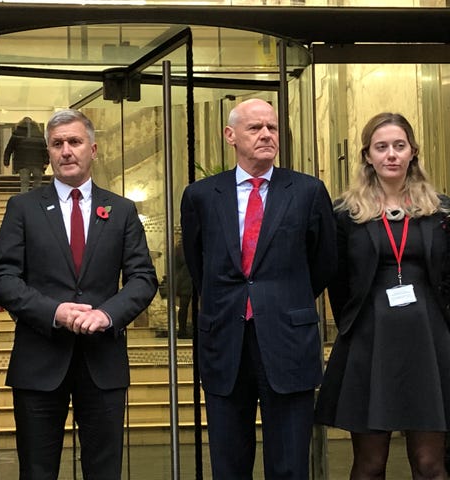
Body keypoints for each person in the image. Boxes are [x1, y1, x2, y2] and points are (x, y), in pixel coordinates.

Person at [0, 109, 157, 479]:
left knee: (104, 470)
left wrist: (107, 314)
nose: (66, 151)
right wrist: (54, 312)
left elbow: (143, 278)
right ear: (48, 153)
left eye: (74, 142)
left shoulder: (122, 210)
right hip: (39, 361)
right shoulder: (23, 208)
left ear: (93, 149)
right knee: (37, 470)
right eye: (57, 144)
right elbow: (0, 277)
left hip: (103, 362)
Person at [180, 98, 337, 479]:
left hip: (287, 341)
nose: (266, 134)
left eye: (272, 127)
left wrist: (279, 301)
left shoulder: (308, 191)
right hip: (225, 343)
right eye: (255, 128)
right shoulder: (201, 196)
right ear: (230, 136)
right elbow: (199, 267)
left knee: (289, 463)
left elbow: (324, 263)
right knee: (229, 463)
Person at [315, 112, 450, 479]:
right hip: (369, 345)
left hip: (431, 345)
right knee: (370, 464)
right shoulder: (346, 213)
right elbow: (337, 281)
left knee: (429, 464)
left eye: (399, 146)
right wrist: (355, 324)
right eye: (381, 147)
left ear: (412, 153)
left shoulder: (441, 210)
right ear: (368, 156)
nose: (391, 154)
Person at [4, 116, 50, 192]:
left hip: (22, 163)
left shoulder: (17, 134)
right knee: (37, 180)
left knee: (24, 183)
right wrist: (46, 161)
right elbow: (44, 149)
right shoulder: (38, 134)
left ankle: (25, 200)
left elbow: (9, 148)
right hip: (37, 162)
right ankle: (35, 198)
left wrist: (6, 161)